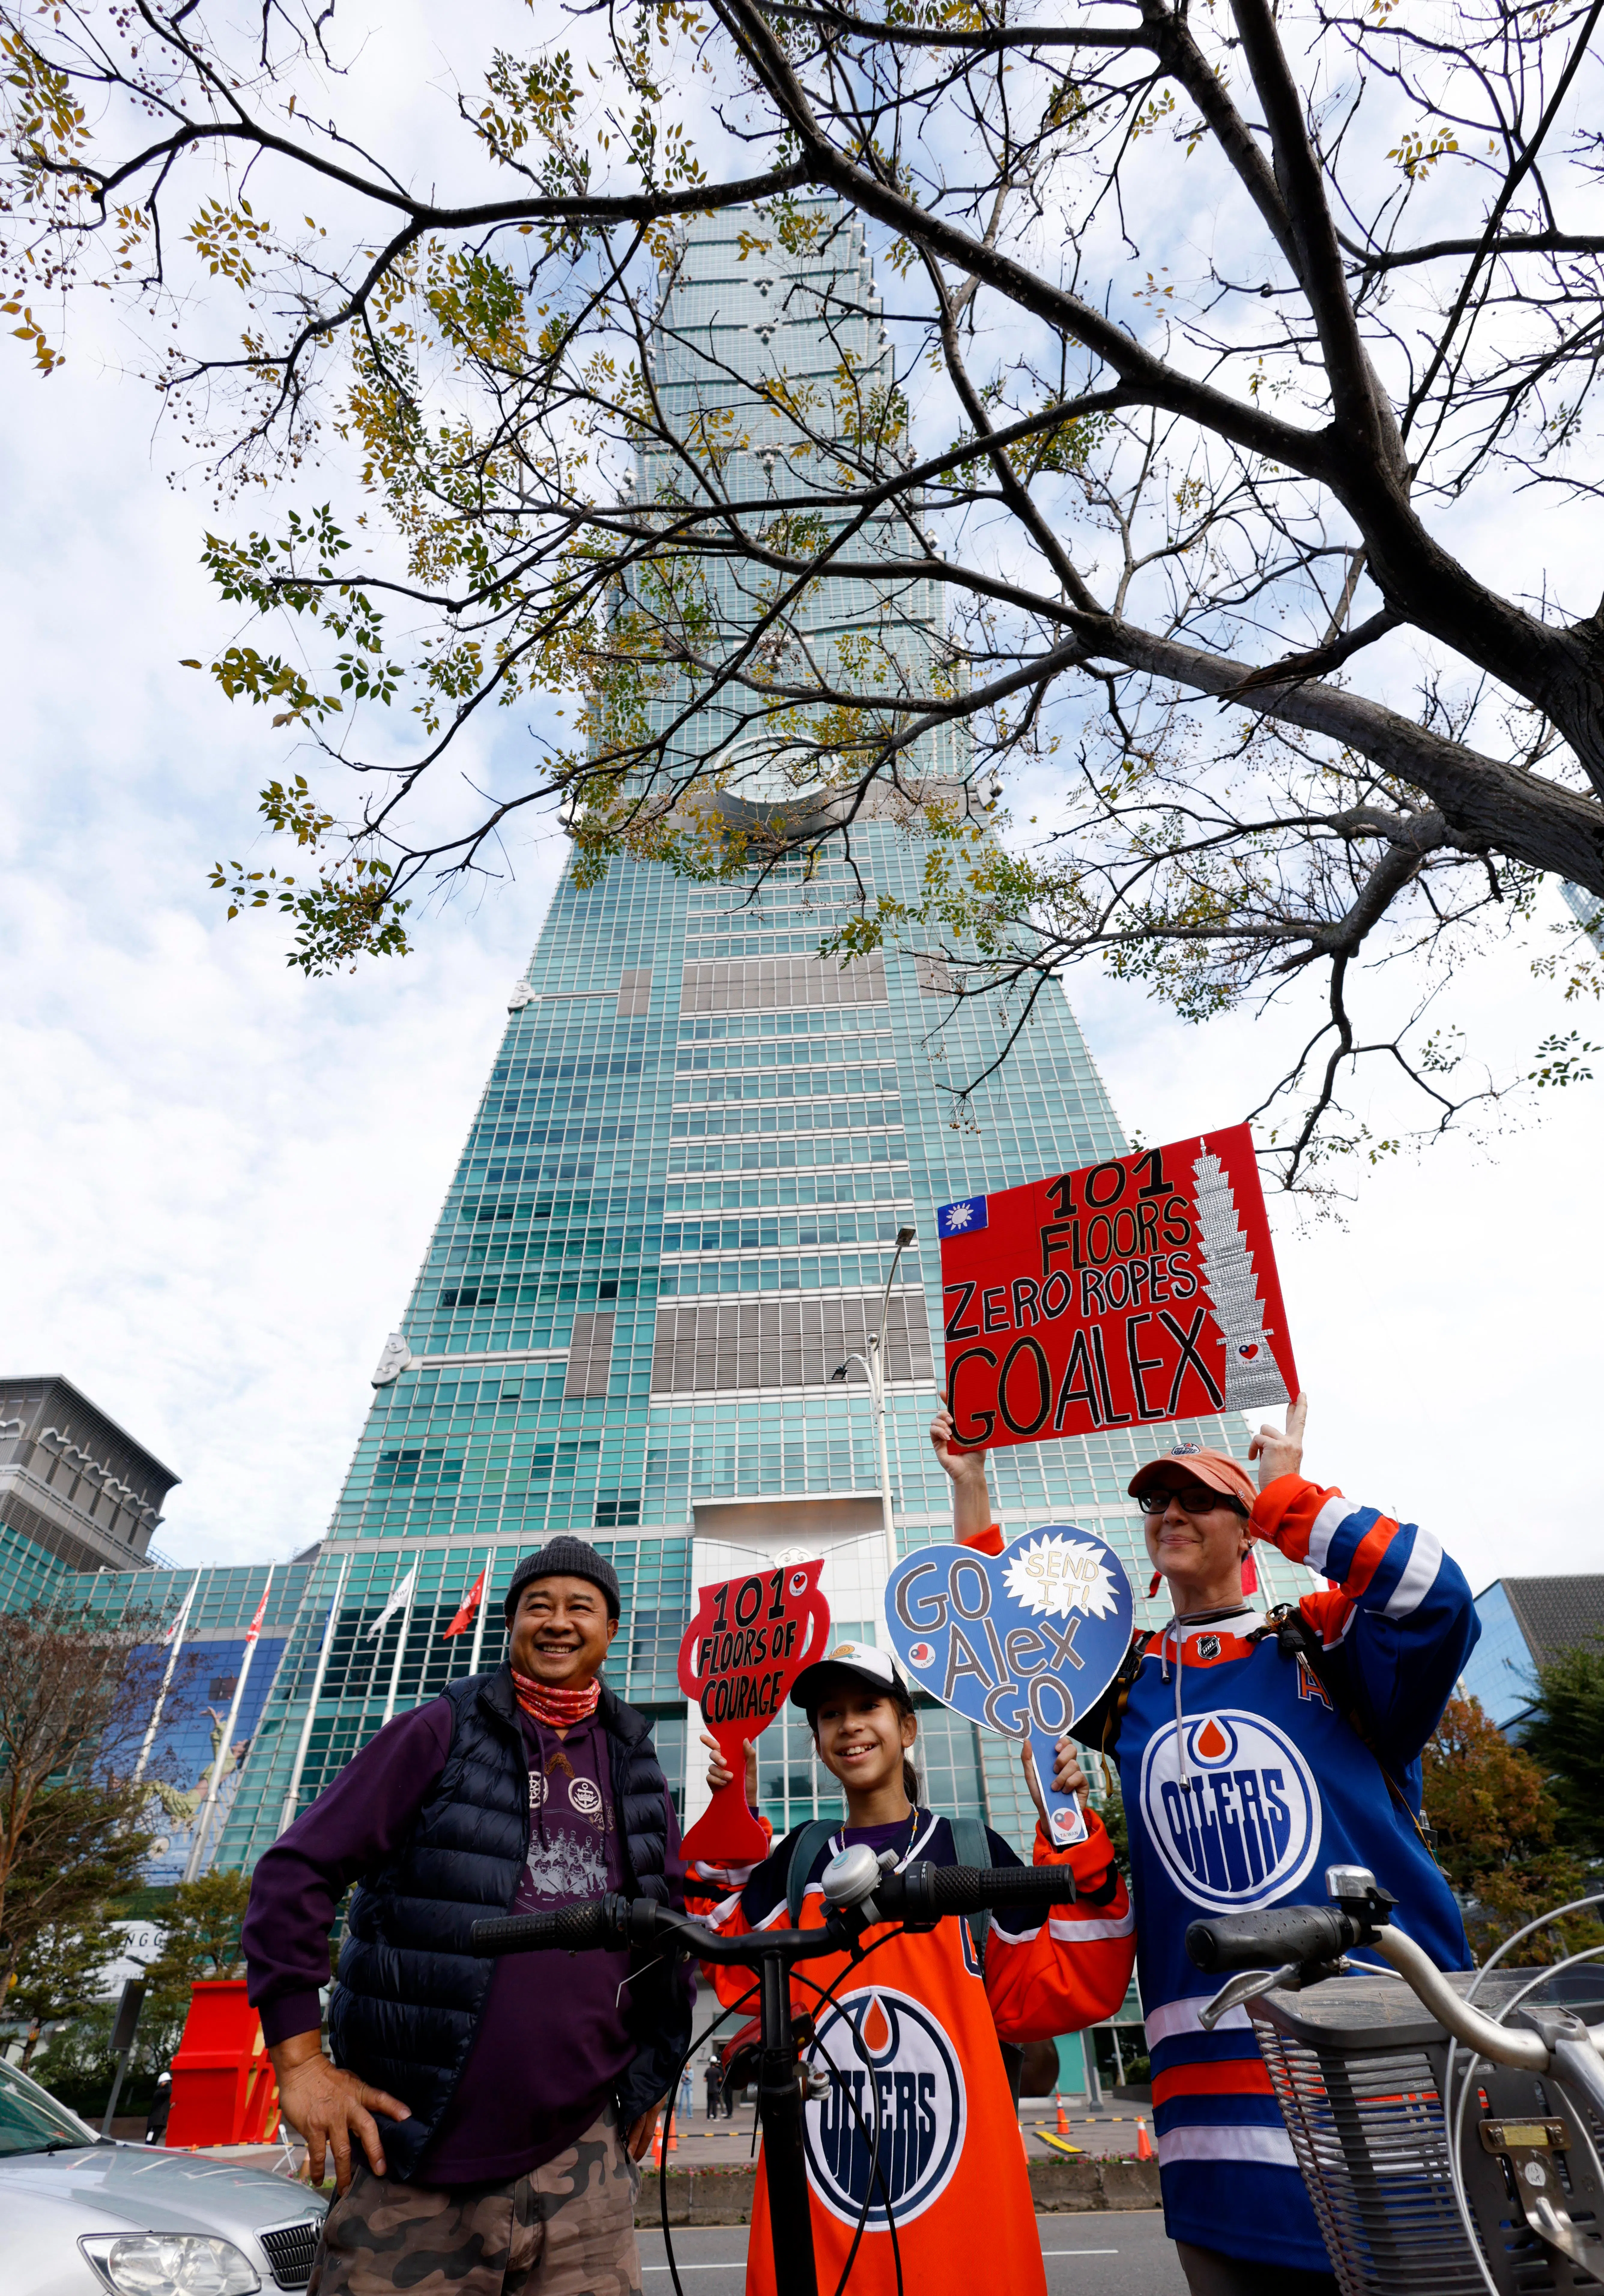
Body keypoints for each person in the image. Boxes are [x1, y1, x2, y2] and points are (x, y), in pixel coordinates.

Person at [932, 1396, 1479, 2296]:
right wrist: (972, 1487)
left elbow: (1436, 1595)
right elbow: (1006, 1649)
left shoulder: (1321, 1643)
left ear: (1248, 1531)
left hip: (1376, 2082)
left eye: (1197, 1498)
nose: (1170, 1515)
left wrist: (1291, 1497)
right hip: (1206, 2108)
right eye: (1156, 1502)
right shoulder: (1137, 1677)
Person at [241, 1536, 691, 2296]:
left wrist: (653, 2072)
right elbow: (295, 1873)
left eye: (579, 1605)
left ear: (610, 1630)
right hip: (417, 2154)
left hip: (583, 2162)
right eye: (536, 1605)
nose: (557, 1621)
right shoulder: (439, 1729)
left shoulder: (633, 1755)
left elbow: (664, 1927)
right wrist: (301, 2063)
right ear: (510, 1623)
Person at [692, 1639, 1134, 2296]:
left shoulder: (972, 1850)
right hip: (818, 2196)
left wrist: (1066, 1824)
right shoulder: (800, 1858)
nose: (848, 1724)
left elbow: (1077, 1977)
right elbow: (724, 1955)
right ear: (817, 1742)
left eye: (868, 1704)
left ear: (906, 1727)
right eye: (830, 1713)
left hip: (961, 2208)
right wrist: (734, 1814)